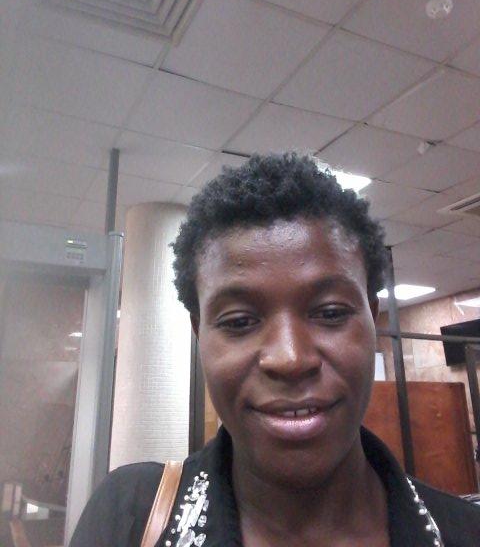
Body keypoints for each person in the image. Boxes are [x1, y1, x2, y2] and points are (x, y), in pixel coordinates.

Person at [70, 153, 480, 546]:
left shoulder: (465, 532)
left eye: (331, 312)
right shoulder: (130, 517)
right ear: (199, 334)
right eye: (239, 321)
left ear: (372, 320)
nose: (290, 359)